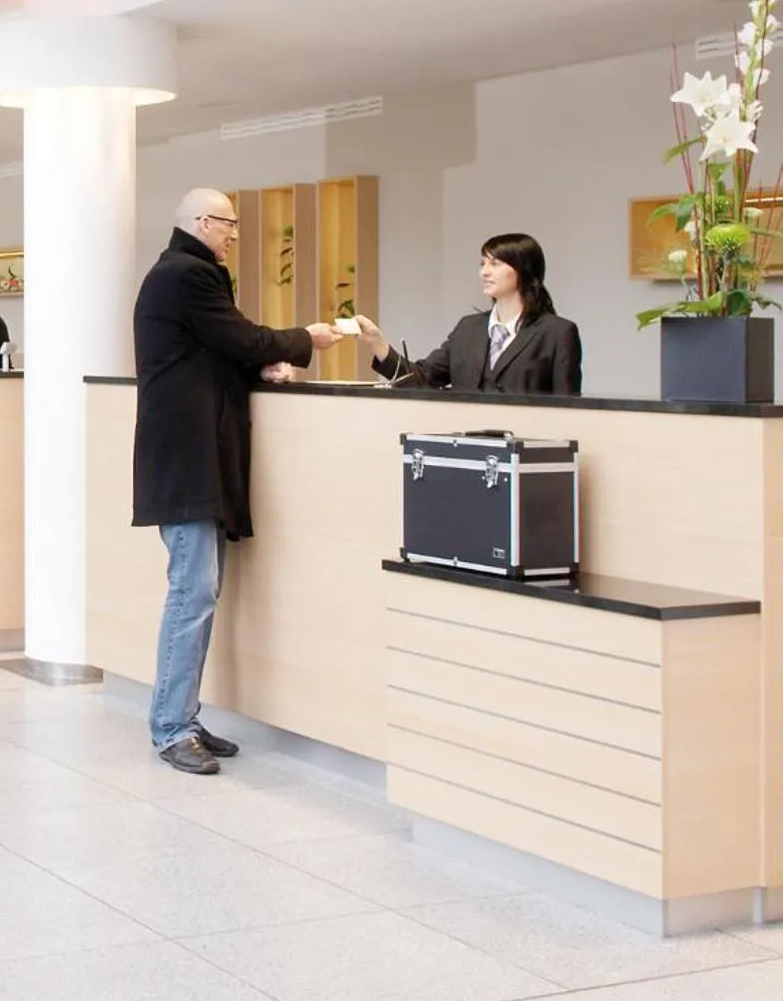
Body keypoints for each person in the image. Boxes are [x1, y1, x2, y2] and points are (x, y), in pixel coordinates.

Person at [133, 189, 340, 777]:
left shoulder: (184, 272)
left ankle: (183, 716)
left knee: (198, 592)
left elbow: (219, 348)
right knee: (191, 594)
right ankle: (171, 727)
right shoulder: (186, 273)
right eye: (229, 225)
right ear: (203, 222)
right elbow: (240, 336)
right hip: (186, 460)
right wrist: (305, 339)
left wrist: (261, 365)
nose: (233, 234)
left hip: (195, 459)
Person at [354, 233, 582, 395]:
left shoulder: (557, 333)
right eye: (483, 263)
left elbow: (568, 409)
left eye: (495, 264)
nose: (484, 272)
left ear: (523, 270)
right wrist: (378, 343)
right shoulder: (468, 328)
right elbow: (421, 380)